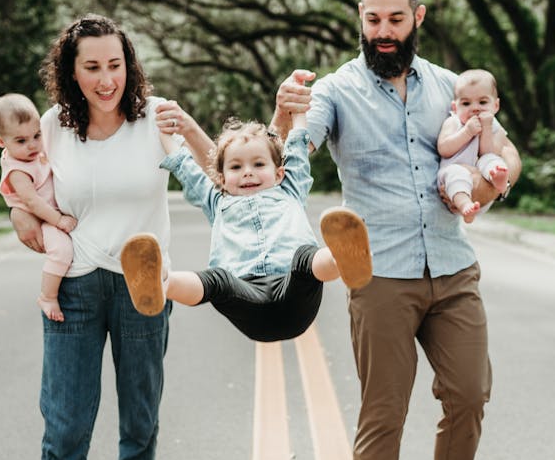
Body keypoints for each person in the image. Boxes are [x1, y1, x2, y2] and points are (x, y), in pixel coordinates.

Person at [272, 0, 521, 460]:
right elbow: (294, 153)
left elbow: (503, 154)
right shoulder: (333, 91)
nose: (383, 32)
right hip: (379, 272)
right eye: (371, 19)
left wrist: (494, 180)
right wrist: (282, 121)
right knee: (384, 413)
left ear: (419, 17)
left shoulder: (452, 87)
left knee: (468, 395)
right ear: (360, 18)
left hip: (452, 265)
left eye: (395, 19)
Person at [10, 14, 208, 460]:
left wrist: (192, 127)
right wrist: (31, 231)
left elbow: (217, 175)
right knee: (66, 426)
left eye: (115, 65)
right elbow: (18, 187)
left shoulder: (156, 120)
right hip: (73, 288)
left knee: (138, 424)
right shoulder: (51, 128)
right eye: (91, 67)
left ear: (130, 64)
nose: (106, 79)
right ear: (71, 72)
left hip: (144, 287)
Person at [119, 109, 373, 342]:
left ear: (279, 173)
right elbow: (185, 167)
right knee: (218, 280)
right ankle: (160, 283)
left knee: (305, 259)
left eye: (258, 164)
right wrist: (165, 134)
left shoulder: (290, 189)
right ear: (221, 178)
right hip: (246, 297)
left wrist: (298, 114)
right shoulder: (216, 201)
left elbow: (297, 147)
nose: (247, 172)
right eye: (236, 167)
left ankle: (342, 256)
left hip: (293, 293)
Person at [0, 93, 76, 321]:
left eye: (36, 136)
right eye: (21, 141)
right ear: (1, 142)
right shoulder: (17, 169)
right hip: (43, 218)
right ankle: (48, 296)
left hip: (51, 213)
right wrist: (57, 220)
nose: (32, 145)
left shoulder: (35, 151)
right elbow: (31, 201)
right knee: (61, 251)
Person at [436, 68, 510, 222]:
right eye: (466, 103)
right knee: (456, 173)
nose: (475, 108)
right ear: (455, 108)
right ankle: (465, 207)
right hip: (453, 179)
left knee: (493, 160)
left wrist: (487, 129)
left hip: (482, 181)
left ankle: (499, 179)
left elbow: (487, 153)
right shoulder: (454, 122)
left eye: (483, 102)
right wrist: (467, 133)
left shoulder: (494, 127)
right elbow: (444, 149)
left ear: (495, 106)